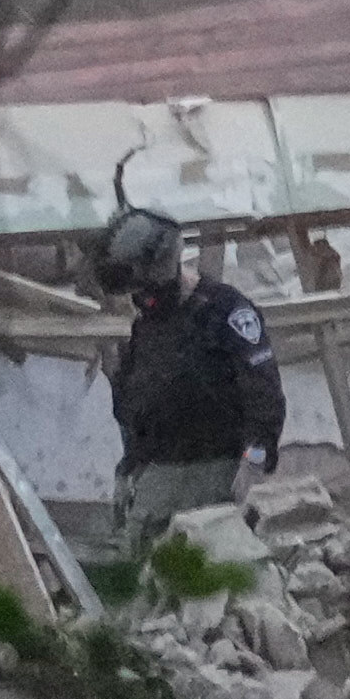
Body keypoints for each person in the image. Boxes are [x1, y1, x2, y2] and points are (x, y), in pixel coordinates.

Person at [92, 203, 271, 531]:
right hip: (158, 475)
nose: (141, 301)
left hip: (217, 471)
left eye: (146, 291)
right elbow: (135, 405)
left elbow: (264, 395)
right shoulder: (146, 327)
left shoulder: (225, 312)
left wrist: (254, 462)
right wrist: (128, 468)